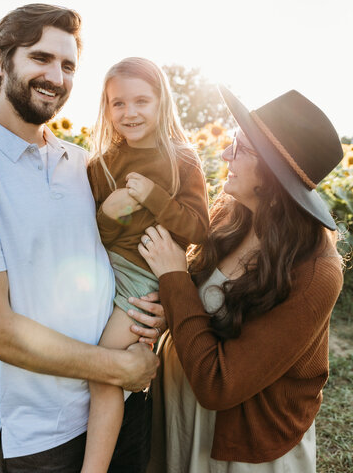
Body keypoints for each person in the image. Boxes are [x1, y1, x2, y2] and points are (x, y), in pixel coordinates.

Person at [0, 4, 162, 473]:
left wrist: (151, 305)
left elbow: (119, 256)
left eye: (68, 65)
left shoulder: (82, 162)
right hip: (46, 433)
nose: (57, 77)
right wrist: (116, 369)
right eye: (40, 58)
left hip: (123, 406)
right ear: (0, 60)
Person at [138, 86, 344, 472]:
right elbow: (201, 306)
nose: (224, 154)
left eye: (242, 148)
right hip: (181, 411)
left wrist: (174, 276)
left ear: (274, 176)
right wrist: (169, 312)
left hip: (238, 445)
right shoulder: (230, 217)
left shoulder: (316, 272)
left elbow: (220, 385)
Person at [84, 57, 209, 472]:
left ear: (161, 103)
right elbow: (96, 236)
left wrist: (154, 196)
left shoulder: (181, 161)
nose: (129, 112)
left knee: (105, 367)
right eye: (117, 103)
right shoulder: (101, 164)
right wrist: (109, 211)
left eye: (141, 100)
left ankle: (95, 467)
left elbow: (196, 230)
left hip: (142, 279)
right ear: (106, 108)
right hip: (103, 269)